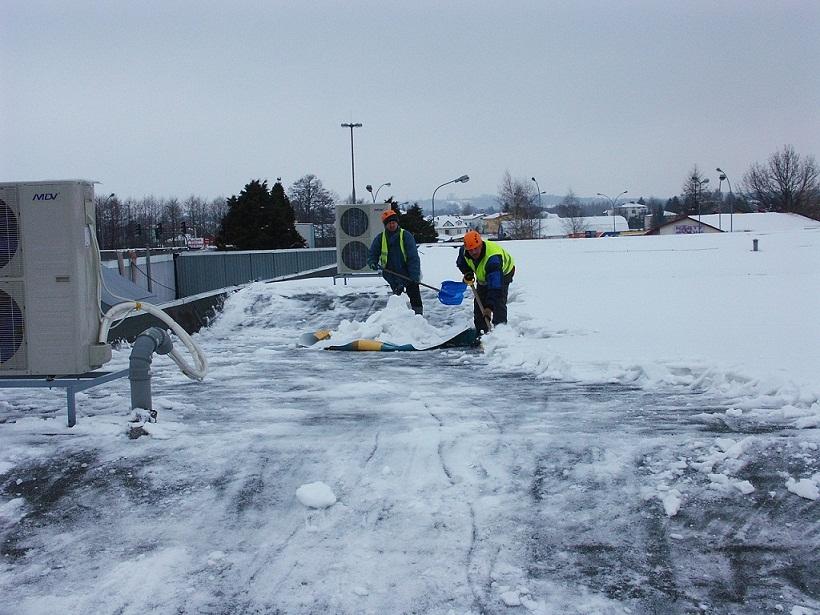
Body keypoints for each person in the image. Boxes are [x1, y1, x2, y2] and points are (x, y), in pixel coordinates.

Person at [456, 230, 515, 334]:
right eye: (470, 250)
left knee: (498, 302)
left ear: (481, 244)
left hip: (504, 273)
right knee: (479, 303)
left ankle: (500, 332)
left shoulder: (493, 259)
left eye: (476, 248)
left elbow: (495, 288)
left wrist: (489, 307)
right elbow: (461, 263)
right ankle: (482, 331)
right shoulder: (464, 251)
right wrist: (468, 273)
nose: (473, 252)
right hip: (484, 275)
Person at [368, 209, 423, 315]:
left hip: (408, 273)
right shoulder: (380, 238)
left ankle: (419, 318)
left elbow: (413, 258)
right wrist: (372, 262)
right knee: (397, 300)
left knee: (415, 297)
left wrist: (414, 276)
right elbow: (372, 253)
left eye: (393, 222)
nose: (392, 225)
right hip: (392, 274)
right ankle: (399, 319)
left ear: (397, 223)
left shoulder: (406, 236)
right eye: (389, 223)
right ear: (385, 225)